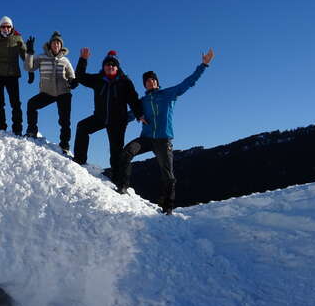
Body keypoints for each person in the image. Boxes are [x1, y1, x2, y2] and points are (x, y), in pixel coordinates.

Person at [117, 49, 215, 215]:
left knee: (167, 174)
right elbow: (127, 116)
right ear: (144, 84)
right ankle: (123, 186)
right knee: (127, 152)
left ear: (157, 82)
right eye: (147, 81)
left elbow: (188, 82)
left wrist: (203, 65)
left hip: (163, 140)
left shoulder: (168, 94)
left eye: (152, 80)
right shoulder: (142, 102)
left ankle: (168, 206)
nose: (150, 82)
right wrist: (111, 119)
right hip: (146, 139)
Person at [73, 48, 144, 186]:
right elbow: (80, 77)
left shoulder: (125, 82)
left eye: (113, 65)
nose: (110, 66)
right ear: (104, 66)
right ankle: (79, 159)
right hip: (100, 117)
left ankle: (119, 181)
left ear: (117, 67)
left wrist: (139, 114)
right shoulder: (98, 80)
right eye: (108, 64)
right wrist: (83, 60)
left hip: (118, 121)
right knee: (82, 127)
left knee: (116, 151)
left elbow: (134, 100)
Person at [24, 31, 77, 154]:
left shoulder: (65, 60)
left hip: (64, 93)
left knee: (65, 120)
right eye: (54, 42)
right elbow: (29, 67)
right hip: (47, 93)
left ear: (61, 46)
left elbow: (72, 76)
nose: (56, 45)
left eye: (58, 43)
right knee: (31, 104)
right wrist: (30, 52)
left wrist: (73, 82)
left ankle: (64, 145)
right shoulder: (42, 57)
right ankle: (32, 130)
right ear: (50, 44)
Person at [0, 16, 31, 135]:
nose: (6, 28)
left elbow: (25, 57)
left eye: (8, 26)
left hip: (12, 75)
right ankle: (1, 127)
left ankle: (17, 129)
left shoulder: (18, 39)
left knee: (15, 103)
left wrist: (30, 71)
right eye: (3, 26)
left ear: (11, 27)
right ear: (0, 28)